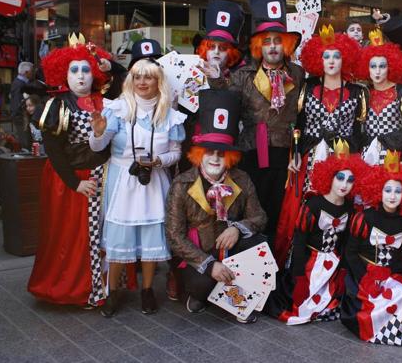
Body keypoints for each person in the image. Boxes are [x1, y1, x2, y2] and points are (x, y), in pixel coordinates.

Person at [90, 58, 186, 316]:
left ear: (158, 81)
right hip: (122, 180)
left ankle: (147, 290)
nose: (142, 82)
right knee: (119, 238)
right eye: (137, 77)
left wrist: (159, 161)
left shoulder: (170, 114)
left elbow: (176, 153)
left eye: (149, 77)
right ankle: (112, 293)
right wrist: (98, 133)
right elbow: (98, 148)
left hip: (154, 180)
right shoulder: (118, 108)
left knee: (151, 237)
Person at [208, 0, 304, 243]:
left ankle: (279, 263)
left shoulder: (298, 73)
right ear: (258, 45)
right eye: (267, 41)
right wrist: (215, 77)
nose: (272, 46)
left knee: (281, 213)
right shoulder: (243, 75)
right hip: (251, 153)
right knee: (252, 210)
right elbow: (224, 101)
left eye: (277, 40)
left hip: (286, 155)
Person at [165, 89, 267, 323]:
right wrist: (208, 264)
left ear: (229, 158)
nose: (215, 158)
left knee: (258, 242)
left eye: (221, 154)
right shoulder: (182, 184)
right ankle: (203, 293)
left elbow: (259, 217)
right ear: (198, 154)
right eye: (209, 152)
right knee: (202, 282)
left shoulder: (242, 179)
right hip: (199, 255)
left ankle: (239, 299)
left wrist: (238, 228)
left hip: (232, 252)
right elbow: (174, 235)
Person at [27, 36, 113, 307]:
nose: (80, 76)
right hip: (70, 181)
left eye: (86, 69)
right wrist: (74, 184)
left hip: (103, 177)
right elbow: (53, 149)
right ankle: (70, 289)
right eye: (74, 70)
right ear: (63, 73)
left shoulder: (106, 102)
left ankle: (99, 289)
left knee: (99, 235)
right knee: (69, 237)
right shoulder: (58, 104)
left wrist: (109, 64)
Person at [275, 25, 365, 264]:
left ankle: (333, 258)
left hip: (341, 161)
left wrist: (348, 151)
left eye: (337, 56)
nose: (332, 61)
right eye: (326, 56)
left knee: (337, 206)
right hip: (310, 157)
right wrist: (295, 153)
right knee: (305, 206)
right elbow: (298, 124)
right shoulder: (308, 88)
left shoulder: (357, 92)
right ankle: (297, 260)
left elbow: (359, 132)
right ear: (318, 59)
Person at [340, 151, 402, 346]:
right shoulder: (364, 218)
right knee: (371, 304)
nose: (392, 196)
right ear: (378, 191)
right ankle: (375, 326)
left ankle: (393, 330)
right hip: (362, 274)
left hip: (391, 275)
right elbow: (350, 252)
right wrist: (365, 277)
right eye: (387, 190)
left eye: (398, 191)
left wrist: (389, 277)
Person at [265, 143, 367, 324]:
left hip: (332, 269)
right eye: (340, 177)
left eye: (350, 180)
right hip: (308, 265)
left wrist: (343, 270)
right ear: (330, 177)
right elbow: (299, 242)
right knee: (298, 304)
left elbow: (344, 244)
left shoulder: (350, 209)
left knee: (333, 303)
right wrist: (299, 276)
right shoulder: (313, 205)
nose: (344, 184)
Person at [355, 29, 402, 165]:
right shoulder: (364, 94)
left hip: (394, 157)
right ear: (367, 68)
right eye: (373, 66)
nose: (378, 71)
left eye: (382, 66)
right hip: (368, 157)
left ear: (390, 67)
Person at [11, 62, 35, 146]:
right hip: (21, 117)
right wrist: (22, 116)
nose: (33, 73)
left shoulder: (19, 83)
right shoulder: (20, 84)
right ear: (26, 72)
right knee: (25, 141)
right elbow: (18, 103)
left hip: (21, 117)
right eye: (32, 71)